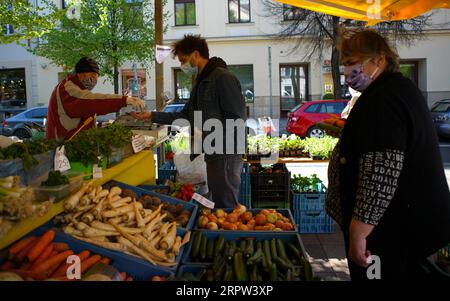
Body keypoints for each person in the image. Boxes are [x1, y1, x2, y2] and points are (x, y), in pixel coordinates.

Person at [326, 29, 450, 280]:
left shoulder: (384, 98)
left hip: (389, 233)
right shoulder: (393, 90)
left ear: (379, 60)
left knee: (377, 277)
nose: (347, 70)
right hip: (400, 226)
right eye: (345, 64)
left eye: (353, 62)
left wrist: (359, 233)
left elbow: (380, 171)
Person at [132, 34, 246, 208]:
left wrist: (213, 139)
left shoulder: (222, 78)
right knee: (219, 202)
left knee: (226, 204)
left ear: (195, 54)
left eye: (183, 60)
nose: (182, 65)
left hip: (225, 153)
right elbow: (186, 116)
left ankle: (231, 234)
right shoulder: (201, 82)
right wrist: (152, 116)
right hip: (213, 151)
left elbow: (236, 118)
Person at [45, 57, 145, 141]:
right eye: (93, 75)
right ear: (81, 74)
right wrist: (123, 100)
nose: (95, 79)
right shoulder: (68, 88)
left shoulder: (77, 88)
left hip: (75, 143)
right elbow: (92, 102)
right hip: (64, 146)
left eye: (96, 76)